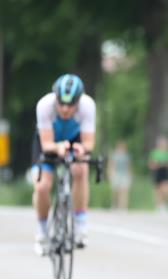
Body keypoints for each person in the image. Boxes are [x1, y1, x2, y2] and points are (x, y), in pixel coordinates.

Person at [31, 74, 96, 254]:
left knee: (81, 169)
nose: (66, 109)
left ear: (78, 101)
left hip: (74, 139)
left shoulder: (87, 105)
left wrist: (81, 149)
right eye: (62, 104)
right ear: (56, 98)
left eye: (71, 105)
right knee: (42, 187)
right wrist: (58, 147)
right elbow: (46, 144)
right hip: (49, 140)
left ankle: (80, 225)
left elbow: (89, 143)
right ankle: (42, 231)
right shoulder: (45, 105)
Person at [148, 136, 168, 212]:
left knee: (167, 189)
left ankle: (165, 204)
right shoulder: (155, 153)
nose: (164, 145)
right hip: (157, 172)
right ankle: (158, 206)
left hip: (166, 172)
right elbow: (151, 165)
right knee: (158, 190)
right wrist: (158, 164)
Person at [109, 140, 133, 210]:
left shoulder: (127, 156)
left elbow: (129, 166)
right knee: (115, 191)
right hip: (116, 174)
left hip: (124, 174)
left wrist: (130, 175)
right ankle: (114, 205)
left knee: (124, 191)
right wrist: (111, 172)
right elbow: (111, 164)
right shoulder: (114, 155)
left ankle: (123, 206)